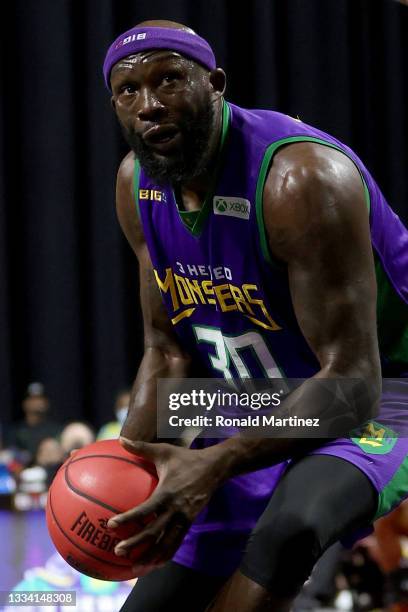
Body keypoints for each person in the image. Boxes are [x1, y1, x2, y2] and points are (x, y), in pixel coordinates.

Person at [101, 20, 408, 611]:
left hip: (381, 386)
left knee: (288, 530)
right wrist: (121, 468)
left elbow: (352, 385)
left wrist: (216, 462)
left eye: (169, 81)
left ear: (214, 84)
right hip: (260, 393)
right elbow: (166, 351)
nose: (150, 106)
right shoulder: (135, 186)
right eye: (128, 91)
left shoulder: (302, 180)